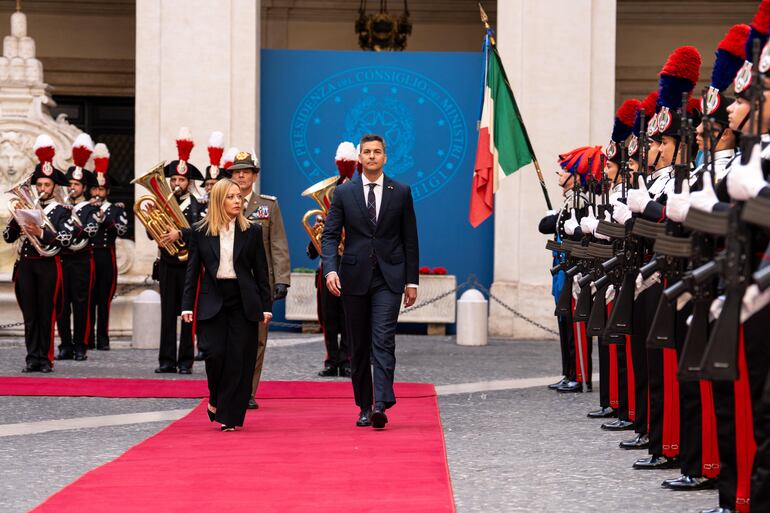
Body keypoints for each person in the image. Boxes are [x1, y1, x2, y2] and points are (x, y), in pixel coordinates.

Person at [322, 133, 419, 429]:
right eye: (367, 152)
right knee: (359, 345)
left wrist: (411, 281)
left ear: (385, 157)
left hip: (389, 278)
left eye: (377, 152)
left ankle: (380, 404)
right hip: (353, 278)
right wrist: (330, 270)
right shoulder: (343, 193)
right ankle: (364, 405)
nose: (372, 156)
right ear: (360, 158)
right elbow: (329, 235)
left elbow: (410, 239)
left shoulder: (400, 191)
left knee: (383, 339)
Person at [181, 178, 272, 431]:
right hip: (212, 298)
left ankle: (229, 416)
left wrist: (266, 306)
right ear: (219, 200)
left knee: (238, 359)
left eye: (239, 197)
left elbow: (261, 271)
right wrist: (186, 305)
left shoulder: (252, 231)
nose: (237, 201)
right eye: (231, 197)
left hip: (243, 300)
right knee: (214, 354)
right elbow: (192, 271)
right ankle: (215, 396)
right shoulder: (200, 231)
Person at [4, 134, 76, 373]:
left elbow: (66, 239)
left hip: (48, 265)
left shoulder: (62, 210)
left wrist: (41, 232)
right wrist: (16, 222)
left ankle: (45, 359)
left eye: (47, 185)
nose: (42, 189)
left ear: (54, 187)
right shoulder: (27, 206)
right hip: (27, 264)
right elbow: (7, 237)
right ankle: (31, 358)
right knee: (30, 314)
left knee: (46, 312)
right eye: (40, 185)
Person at [229, 151, 291, 409]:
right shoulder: (221, 202)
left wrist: (282, 279)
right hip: (229, 281)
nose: (241, 176)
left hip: (258, 283)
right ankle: (229, 388)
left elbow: (278, 243)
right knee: (230, 339)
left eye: (246, 171)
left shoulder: (268, 206)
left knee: (257, 339)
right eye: (236, 172)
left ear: (254, 176)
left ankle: (248, 392)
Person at [152, 127, 204, 374]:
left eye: (181, 180)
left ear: (188, 182)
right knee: (166, 314)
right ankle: (166, 360)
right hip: (167, 263)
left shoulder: (198, 206)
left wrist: (180, 234)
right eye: (173, 180)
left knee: (187, 314)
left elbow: (203, 231)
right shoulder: (162, 204)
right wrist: (156, 231)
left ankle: (185, 361)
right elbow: (150, 232)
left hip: (188, 265)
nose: (176, 184)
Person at [56, 133, 100, 361]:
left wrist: (73, 228)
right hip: (62, 259)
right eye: (70, 184)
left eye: (76, 185)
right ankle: (65, 344)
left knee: (81, 303)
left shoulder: (90, 209)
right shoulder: (61, 208)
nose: (72, 188)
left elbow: (91, 230)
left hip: (81, 260)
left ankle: (81, 345)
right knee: (62, 304)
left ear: (84, 187)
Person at [87, 143, 128, 351]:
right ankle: (87, 339)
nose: (97, 192)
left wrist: (105, 220)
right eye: (95, 188)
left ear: (107, 191)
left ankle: (103, 338)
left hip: (106, 256)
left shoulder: (116, 209)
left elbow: (121, 230)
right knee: (88, 299)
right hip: (87, 256)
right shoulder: (84, 208)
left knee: (104, 299)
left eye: (101, 189)